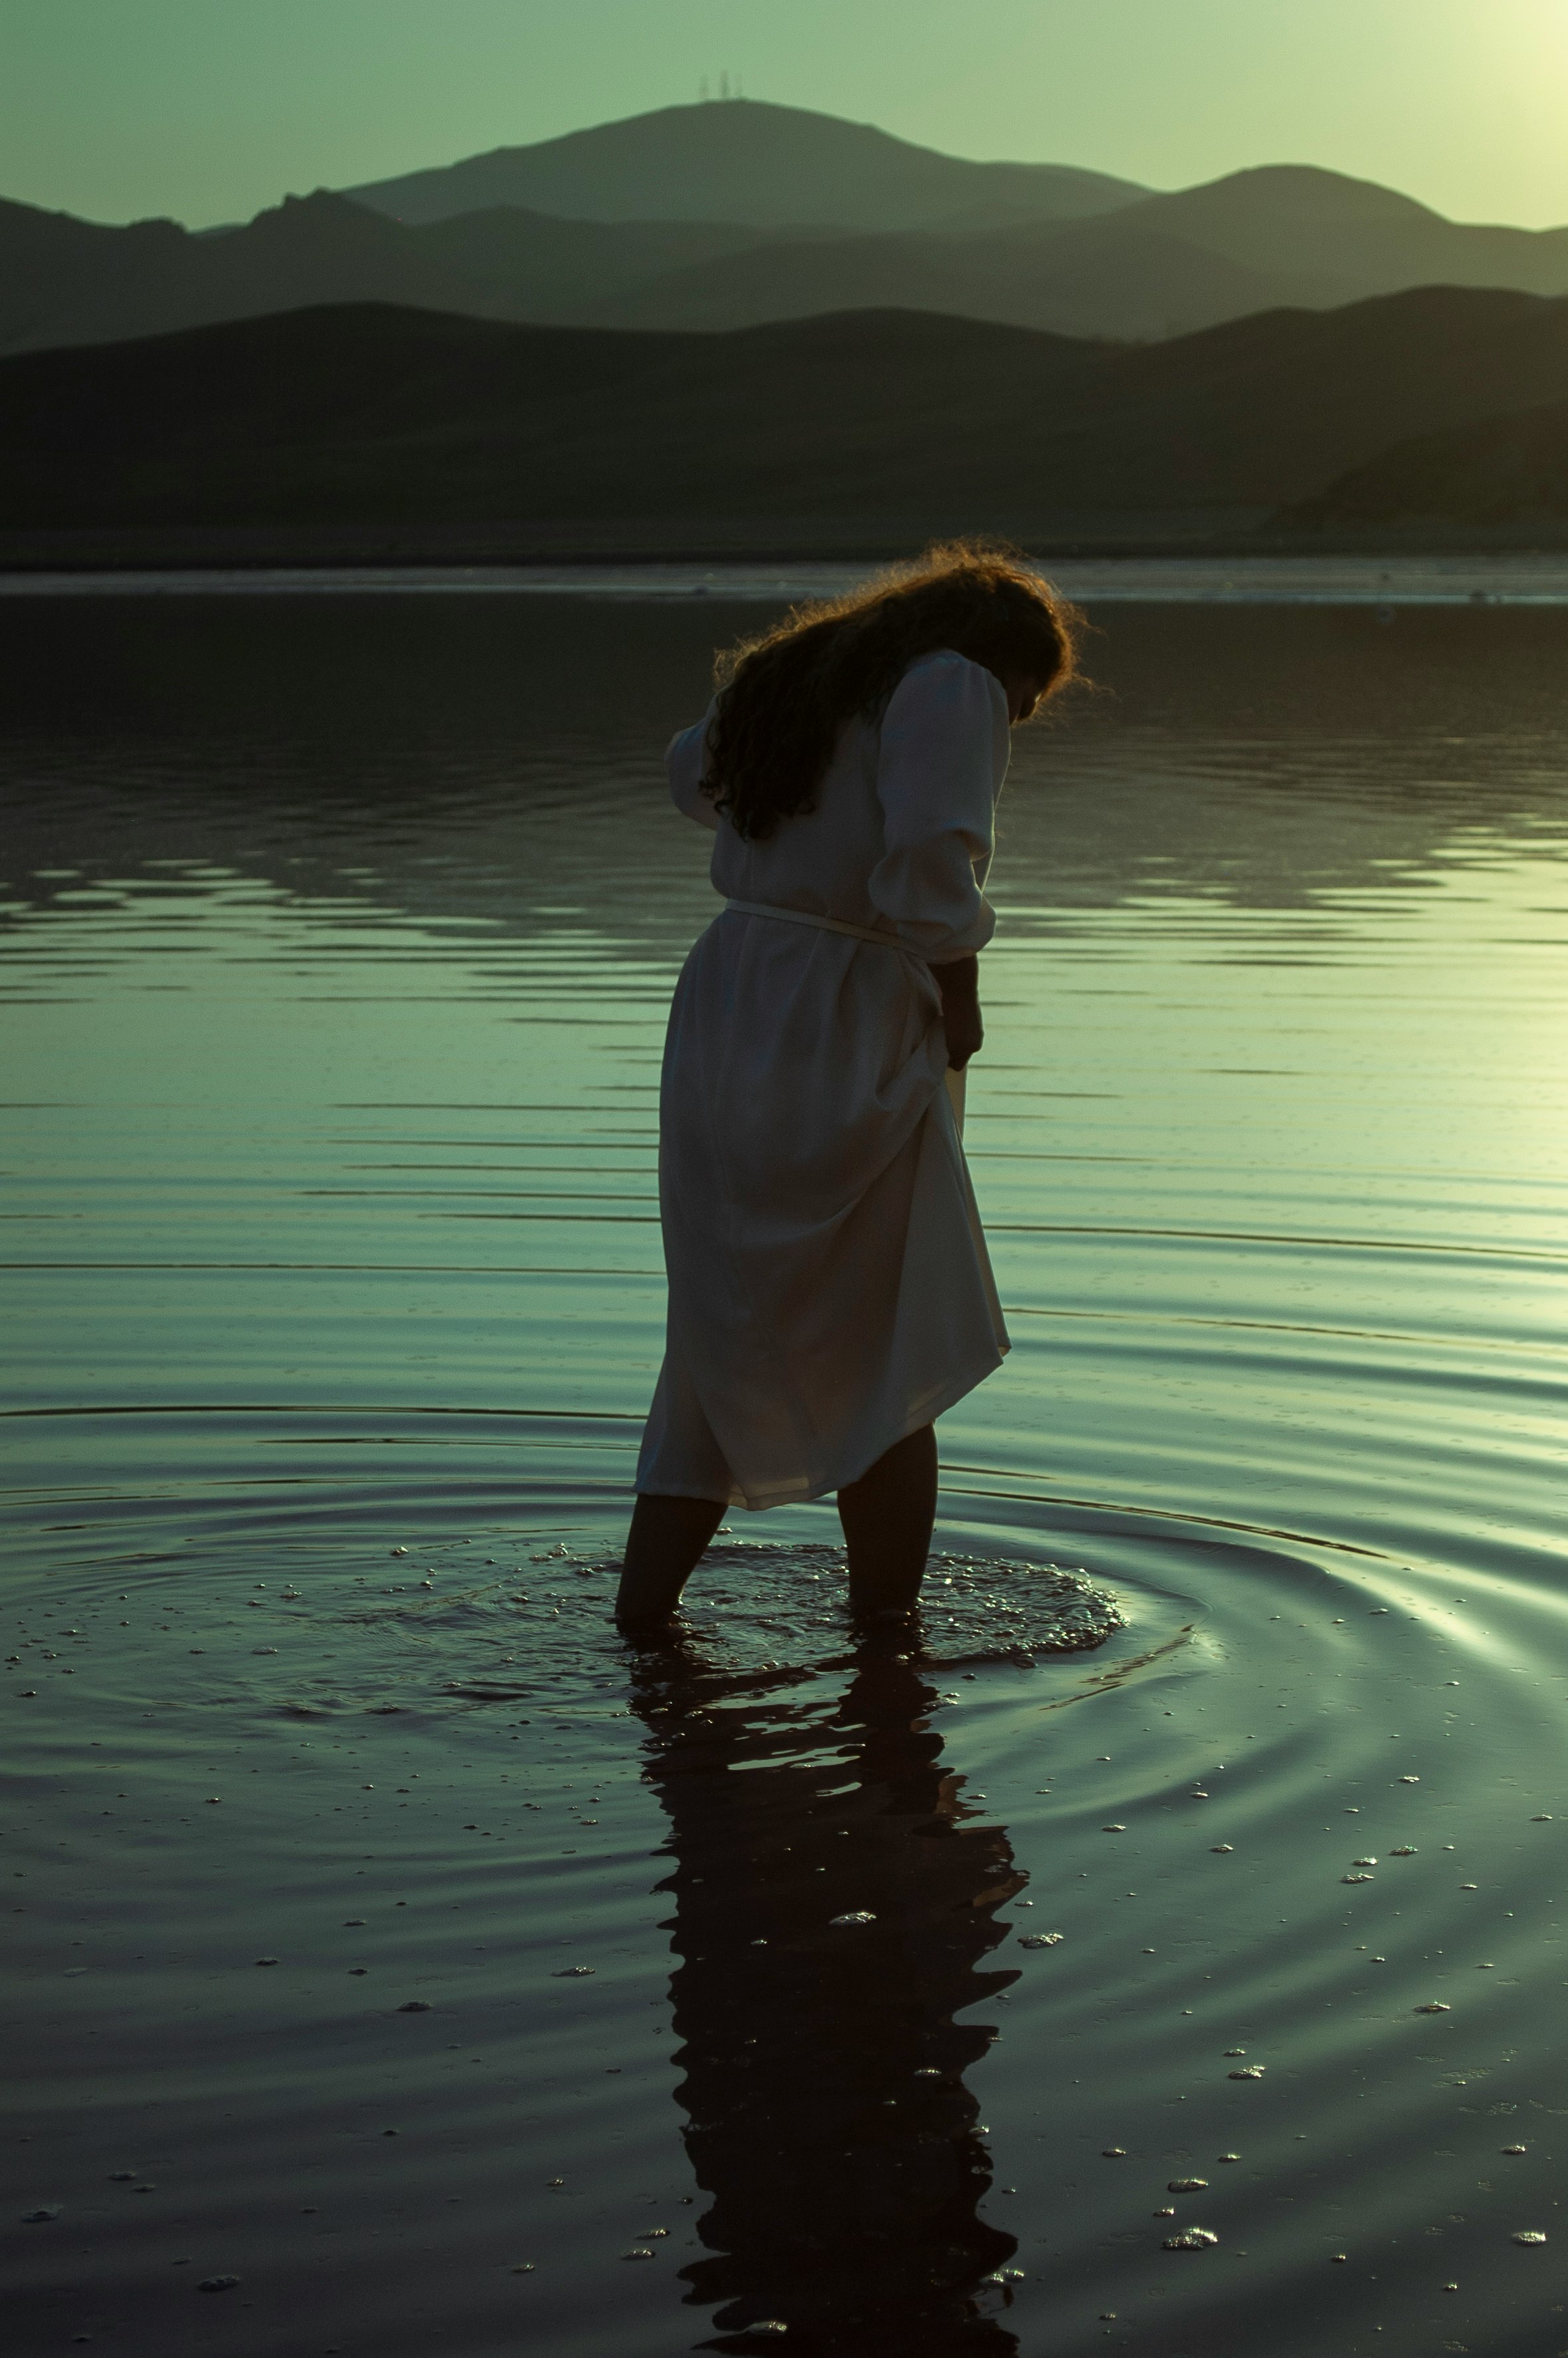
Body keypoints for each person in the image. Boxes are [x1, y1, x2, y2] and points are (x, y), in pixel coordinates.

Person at [618, 542, 1083, 1629]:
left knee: (716, 1332)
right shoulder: (953, 682)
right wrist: (961, 1001)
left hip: (729, 1001)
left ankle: (643, 1626)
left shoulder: (800, 673)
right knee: (891, 1337)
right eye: (1026, 707)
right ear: (1006, 666)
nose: (1011, 727)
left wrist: (811, 824)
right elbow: (931, 867)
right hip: (839, 1013)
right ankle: (888, 1645)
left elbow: (694, 777)